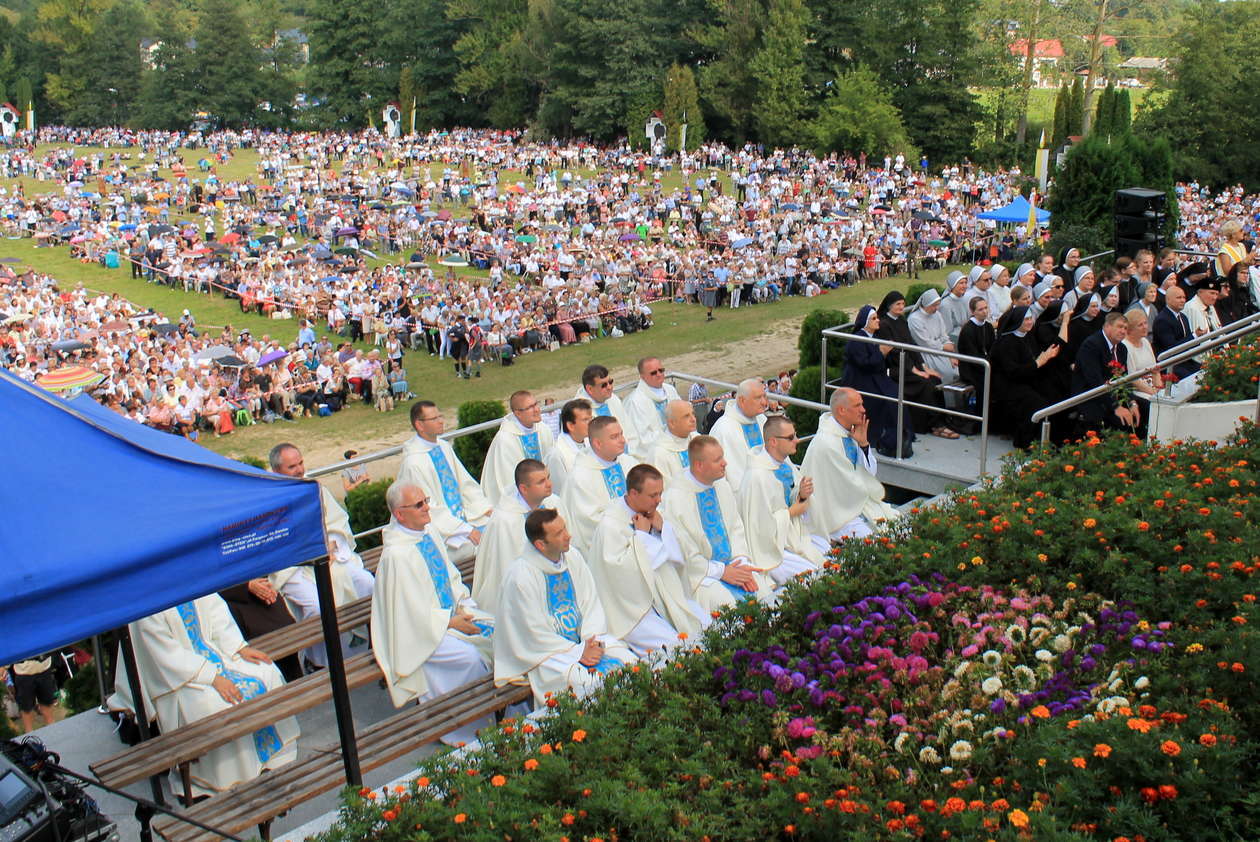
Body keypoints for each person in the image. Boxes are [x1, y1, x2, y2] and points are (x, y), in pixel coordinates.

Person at [121, 594, 299, 796]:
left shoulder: (189, 577)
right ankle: (228, 773)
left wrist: (240, 646)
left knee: (267, 672)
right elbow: (165, 654)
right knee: (214, 703)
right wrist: (212, 677)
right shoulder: (144, 603)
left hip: (215, 653)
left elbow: (216, 611)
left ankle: (267, 758)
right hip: (180, 676)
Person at [371, 483, 495, 745]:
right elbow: (407, 615)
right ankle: (463, 730)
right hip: (420, 636)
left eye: (426, 500)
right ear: (399, 514)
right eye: (419, 505)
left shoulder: (427, 533)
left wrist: (461, 604)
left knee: (500, 629)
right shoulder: (397, 555)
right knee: (470, 658)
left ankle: (500, 713)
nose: (427, 507)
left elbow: (449, 576)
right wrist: (452, 622)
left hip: (448, 617)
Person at [494, 509, 636, 706]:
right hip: (545, 655)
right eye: (559, 533)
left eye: (565, 528)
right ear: (540, 545)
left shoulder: (573, 557)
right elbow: (532, 633)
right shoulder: (521, 577)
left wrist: (590, 640)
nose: (568, 535)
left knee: (629, 661)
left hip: (584, 642)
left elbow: (590, 603)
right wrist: (578, 653)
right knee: (589, 683)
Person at [268, 443, 375, 669]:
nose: (299, 470)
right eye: (291, 467)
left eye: (300, 463)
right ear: (277, 470)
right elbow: (274, 540)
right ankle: (318, 661)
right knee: (318, 606)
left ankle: (373, 645)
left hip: (330, 558)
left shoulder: (312, 486)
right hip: (294, 567)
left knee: (366, 582)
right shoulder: (268, 499)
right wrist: (310, 549)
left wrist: (332, 541)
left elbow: (337, 521)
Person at [587, 464, 705, 654]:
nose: (659, 500)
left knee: (705, 626)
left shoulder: (655, 512)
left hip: (665, 593)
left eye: (660, 493)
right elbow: (618, 576)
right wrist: (641, 537)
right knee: (677, 648)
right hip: (633, 610)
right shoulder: (610, 525)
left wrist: (663, 529)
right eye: (653, 495)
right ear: (633, 493)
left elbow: (679, 557)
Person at [660, 436, 773, 613]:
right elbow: (685, 552)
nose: (725, 463)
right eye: (717, 460)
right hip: (702, 576)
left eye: (723, 457)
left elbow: (736, 527)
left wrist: (740, 562)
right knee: (725, 604)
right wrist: (722, 572)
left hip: (732, 565)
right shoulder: (675, 499)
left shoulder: (721, 485)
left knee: (763, 590)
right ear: (699, 465)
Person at [396, 400, 493, 564]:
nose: (441, 421)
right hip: (442, 532)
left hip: (466, 517)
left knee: (501, 527)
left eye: (440, 416)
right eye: (434, 419)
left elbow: (465, 484)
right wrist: (464, 529)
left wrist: (484, 508)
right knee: (486, 544)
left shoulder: (443, 446)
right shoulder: (414, 462)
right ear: (419, 425)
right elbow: (428, 507)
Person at [800, 388, 900, 543]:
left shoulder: (849, 432)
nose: (863, 410)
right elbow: (848, 485)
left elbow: (869, 474)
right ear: (842, 410)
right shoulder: (826, 443)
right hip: (838, 514)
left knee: (900, 527)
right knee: (877, 544)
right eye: (857, 405)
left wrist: (864, 444)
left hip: (856, 505)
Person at [474, 459, 567, 616]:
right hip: (525, 594)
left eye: (548, 478)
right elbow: (505, 568)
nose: (549, 484)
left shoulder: (553, 502)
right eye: (541, 482)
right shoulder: (505, 521)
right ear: (524, 489)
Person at [738, 415, 824, 585]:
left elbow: (784, 499)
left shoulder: (783, 464)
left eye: (795, 435)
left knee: (828, 558)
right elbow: (759, 528)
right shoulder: (757, 476)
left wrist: (801, 495)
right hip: (771, 549)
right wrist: (792, 512)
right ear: (773, 442)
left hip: (790, 536)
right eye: (791, 437)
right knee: (814, 578)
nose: (797, 441)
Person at [875, 290, 961, 439]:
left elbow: (911, 345)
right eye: (898, 304)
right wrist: (915, 370)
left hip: (909, 362)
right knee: (925, 383)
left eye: (903, 303)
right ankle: (934, 424)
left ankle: (940, 419)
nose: (901, 307)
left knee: (936, 379)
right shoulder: (884, 324)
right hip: (896, 367)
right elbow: (895, 351)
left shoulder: (901, 320)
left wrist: (923, 365)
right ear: (889, 306)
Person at [841, 305, 914, 458]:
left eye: (877, 318)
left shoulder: (875, 337)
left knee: (897, 394)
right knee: (884, 401)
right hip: (860, 379)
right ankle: (882, 436)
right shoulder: (857, 340)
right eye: (874, 319)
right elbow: (865, 365)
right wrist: (881, 352)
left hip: (876, 376)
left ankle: (901, 435)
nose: (878, 321)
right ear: (865, 322)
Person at [561, 416, 637, 554]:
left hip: (640, 538)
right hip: (611, 548)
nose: (623, 441)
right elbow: (589, 523)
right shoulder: (580, 478)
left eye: (621, 434)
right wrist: (633, 529)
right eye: (614, 437)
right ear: (597, 443)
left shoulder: (629, 463)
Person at [988, 306, 1061, 448]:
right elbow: (1013, 371)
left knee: (1054, 393)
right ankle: (1025, 442)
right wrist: (1039, 362)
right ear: (1017, 321)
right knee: (1037, 403)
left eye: (1031, 318)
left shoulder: (1027, 336)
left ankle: (1050, 439)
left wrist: (1044, 357)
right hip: (1008, 385)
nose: (1030, 322)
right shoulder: (1006, 342)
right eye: (1026, 319)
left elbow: (1032, 360)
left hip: (1026, 379)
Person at [1072, 311, 1144, 435]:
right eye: (1119, 327)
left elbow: (1123, 378)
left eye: (1125, 328)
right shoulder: (1092, 345)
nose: (1123, 331)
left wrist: (1131, 402)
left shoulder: (1122, 349)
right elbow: (1095, 381)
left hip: (1112, 392)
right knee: (1116, 420)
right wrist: (1116, 407)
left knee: (1144, 408)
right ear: (1107, 326)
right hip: (1090, 394)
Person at [480, 390, 555, 505]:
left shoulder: (543, 429)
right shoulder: (505, 440)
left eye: (536, 404)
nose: (537, 410)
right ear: (518, 413)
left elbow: (550, 463)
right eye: (530, 407)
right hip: (519, 502)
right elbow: (508, 481)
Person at [707, 377, 770, 489]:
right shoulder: (723, 429)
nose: (764, 402)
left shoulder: (761, 419)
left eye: (764, 396)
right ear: (741, 401)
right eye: (758, 398)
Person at [621, 356, 681, 460]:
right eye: (653, 373)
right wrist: (670, 442)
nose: (659, 374)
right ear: (642, 376)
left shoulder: (670, 390)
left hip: (677, 444)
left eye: (661, 370)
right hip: (652, 456)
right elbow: (642, 438)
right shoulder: (635, 402)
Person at [906, 288, 959, 385]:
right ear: (926, 304)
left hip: (942, 351)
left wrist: (949, 351)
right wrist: (943, 347)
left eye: (938, 304)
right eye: (934, 305)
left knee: (958, 370)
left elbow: (943, 334)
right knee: (947, 373)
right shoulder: (914, 319)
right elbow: (925, 343)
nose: (937, 308)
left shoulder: (937, 314)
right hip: (927, 354)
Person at [1151, 285, 1201, 380]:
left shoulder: (1183, 317)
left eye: (1184, 297)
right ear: (1168, 299)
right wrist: (1194, 336)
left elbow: (1188, 341)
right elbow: (1172, 348)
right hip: (1170, 364)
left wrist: (1197, 337)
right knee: (1194, 378)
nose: (1183, 300)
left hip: (1185, 360)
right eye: (1179, 298)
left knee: (1205, 370)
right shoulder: (1162, 320)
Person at [545, 398, 592, 498]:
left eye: (590, 419)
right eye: (585, 420)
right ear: (570, 425)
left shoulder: (590, 442)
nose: (591, 423)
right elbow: (561, 492)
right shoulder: (557, 454)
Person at [956, 296, 996, 405]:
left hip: (985, 364)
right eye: (980, 309)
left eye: (986, 308)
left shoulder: (988, 326)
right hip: (971, 368)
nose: (985, 312)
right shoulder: (968, 330)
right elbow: (971, 355)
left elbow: (992, 348)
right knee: (985, 383)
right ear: (973, 312)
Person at [648, 399, 699, 484]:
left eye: (693, 414)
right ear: (672, 423)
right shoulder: (659, 453)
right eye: (686, 416)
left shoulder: (698, 440)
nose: (693, 419)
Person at [2, 658, 59, 733]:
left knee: (47, 705)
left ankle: (53, 732)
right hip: (23, 674)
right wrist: (3, 666)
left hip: (44, 669)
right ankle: (29, 735)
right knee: (26, 709)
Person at [1122, 309, 1164, 397]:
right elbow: (1133, 379)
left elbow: (1155, 370)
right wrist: (1152, 392)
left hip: (1153, 386)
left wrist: (1159, 388)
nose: (1145, 327)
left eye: (1145, 323)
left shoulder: (1145, 341)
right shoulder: (1125, 346)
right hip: (1139, 391)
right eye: (1140, 325)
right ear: (1130, 329)